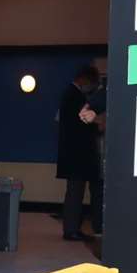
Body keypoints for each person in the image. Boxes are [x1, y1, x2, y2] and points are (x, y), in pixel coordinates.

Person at [56, 64, 102, 241]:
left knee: (75, 192)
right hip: (77, 154)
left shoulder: (70, 94)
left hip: (73, 153)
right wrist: (97, 124)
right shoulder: (74, 96)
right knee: (75, 192)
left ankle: (72, 227)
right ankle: (71, 229)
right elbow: (81, 124)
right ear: (84, 79)